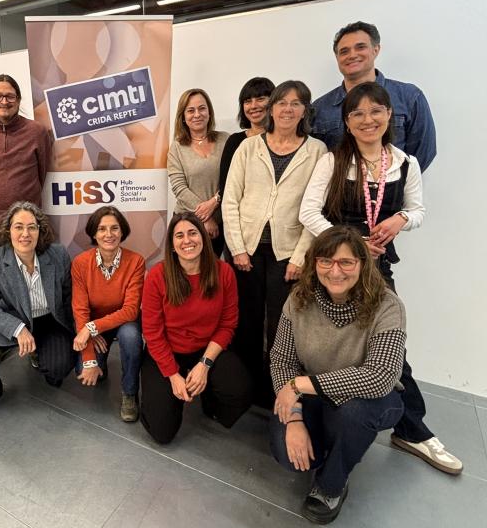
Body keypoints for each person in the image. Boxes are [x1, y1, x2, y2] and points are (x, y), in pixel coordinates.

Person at [299, 81, 462, 475]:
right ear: (347, 121)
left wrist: (401, 218)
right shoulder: (333, 161)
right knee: (316, 341)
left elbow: (419, 210)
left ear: (390, 115)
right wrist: (348, 242)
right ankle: (311, 416)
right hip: (332, 266)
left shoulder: (406, 163)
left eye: (376, 111)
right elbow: (309, 211)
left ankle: (412, 429)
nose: (367, 120)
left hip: (376, 270)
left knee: (390, 350)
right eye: (357, 113)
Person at [269, 226, 406, 524]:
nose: (335, 271)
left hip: (371, 400)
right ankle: (336, 443)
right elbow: (281, 360)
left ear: (362, 263)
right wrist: (293, 419)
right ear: (314, 262)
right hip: (314, 398)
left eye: (346, 262)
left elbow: (380, 376)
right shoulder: (299, 300)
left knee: (353, 416)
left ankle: (332, 483)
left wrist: (300, 384)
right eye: (326, 261)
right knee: (288, 454)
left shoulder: (387, 305)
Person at [221, 80, 326, 406]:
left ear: (305, 111)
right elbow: (230, 200)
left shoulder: (316, 151)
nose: (288, 109)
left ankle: (274, 390)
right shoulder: (249, 147)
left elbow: (314, 208)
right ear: (272, 108)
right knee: (246, 321)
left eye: (296, 104)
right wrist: (237, 247)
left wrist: (300, 257)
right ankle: (245, 386)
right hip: (247, 251)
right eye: (282, 103)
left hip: (288, 253)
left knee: (281, 324)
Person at [140, 212, 252, 444]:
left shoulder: (224, 272)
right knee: (162, 432)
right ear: (172, 245)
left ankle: (207, 396)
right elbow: (152, 332)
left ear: (203, 237)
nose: (187, 240)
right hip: (166, 353)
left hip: (206, 350)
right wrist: (173, 376)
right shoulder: (157, 276)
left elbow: (227, 324)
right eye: (179, 235)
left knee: (240, 391)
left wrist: (205, 364)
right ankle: (168, 395)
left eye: (192, 233)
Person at [0, 201, 75, 422]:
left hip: (50, 320)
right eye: (18, 227)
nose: (25, 233)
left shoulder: (58, 254)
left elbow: (71, 296)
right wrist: (17, 328)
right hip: (15, 318)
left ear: (40, 231)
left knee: (57, 370)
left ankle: (40, 356)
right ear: (8, 230)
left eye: (32, 227)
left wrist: (80, 332)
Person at [311, 21, 436, 171]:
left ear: (376, 50)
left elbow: (423, 153)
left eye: (360, 47)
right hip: (338, 193)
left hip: (392, 192)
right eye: (344, 51)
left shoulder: (409, 97)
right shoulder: (320, 107)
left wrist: (394, 184)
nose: (352, 55)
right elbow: (314, 159)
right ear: (337, 57)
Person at [71, 206, 145, 422]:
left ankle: (130, 393)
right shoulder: (80, 264)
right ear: (93, 233)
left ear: (122, 232)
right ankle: (100, 364)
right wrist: (89, 359)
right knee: (88, 371)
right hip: (93, 325)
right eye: (102, 229)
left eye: (114, 228)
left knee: (131, 337)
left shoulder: (136, 261)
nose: (109, 234)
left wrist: (91, 328)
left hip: (124, 322)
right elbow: (80, 310)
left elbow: (131, 311)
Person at [0, 74, 51, 246]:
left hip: (28, 224)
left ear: (19, 100)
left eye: (10, 96)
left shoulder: (37, 132)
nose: (4, 101)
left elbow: (42, 173)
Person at [217, 77, 276, 265]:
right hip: (241, 234)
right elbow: (227, 189)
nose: (254, 106)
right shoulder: (235, 142)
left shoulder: (287, 142)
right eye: (247, 101)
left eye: (260, 99)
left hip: (278, 236)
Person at [167, 88, 227, 257]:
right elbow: (179, 188)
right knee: (183, 277)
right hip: (185, 224)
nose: (197, 114)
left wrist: (215, 201)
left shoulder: (226, 140)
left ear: (209, 112)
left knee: (210, 277)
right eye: (190, 110)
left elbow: (234, 180)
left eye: (202, 108)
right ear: (183, 117)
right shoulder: (177, 148)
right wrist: (206, 218)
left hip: (219, 223)